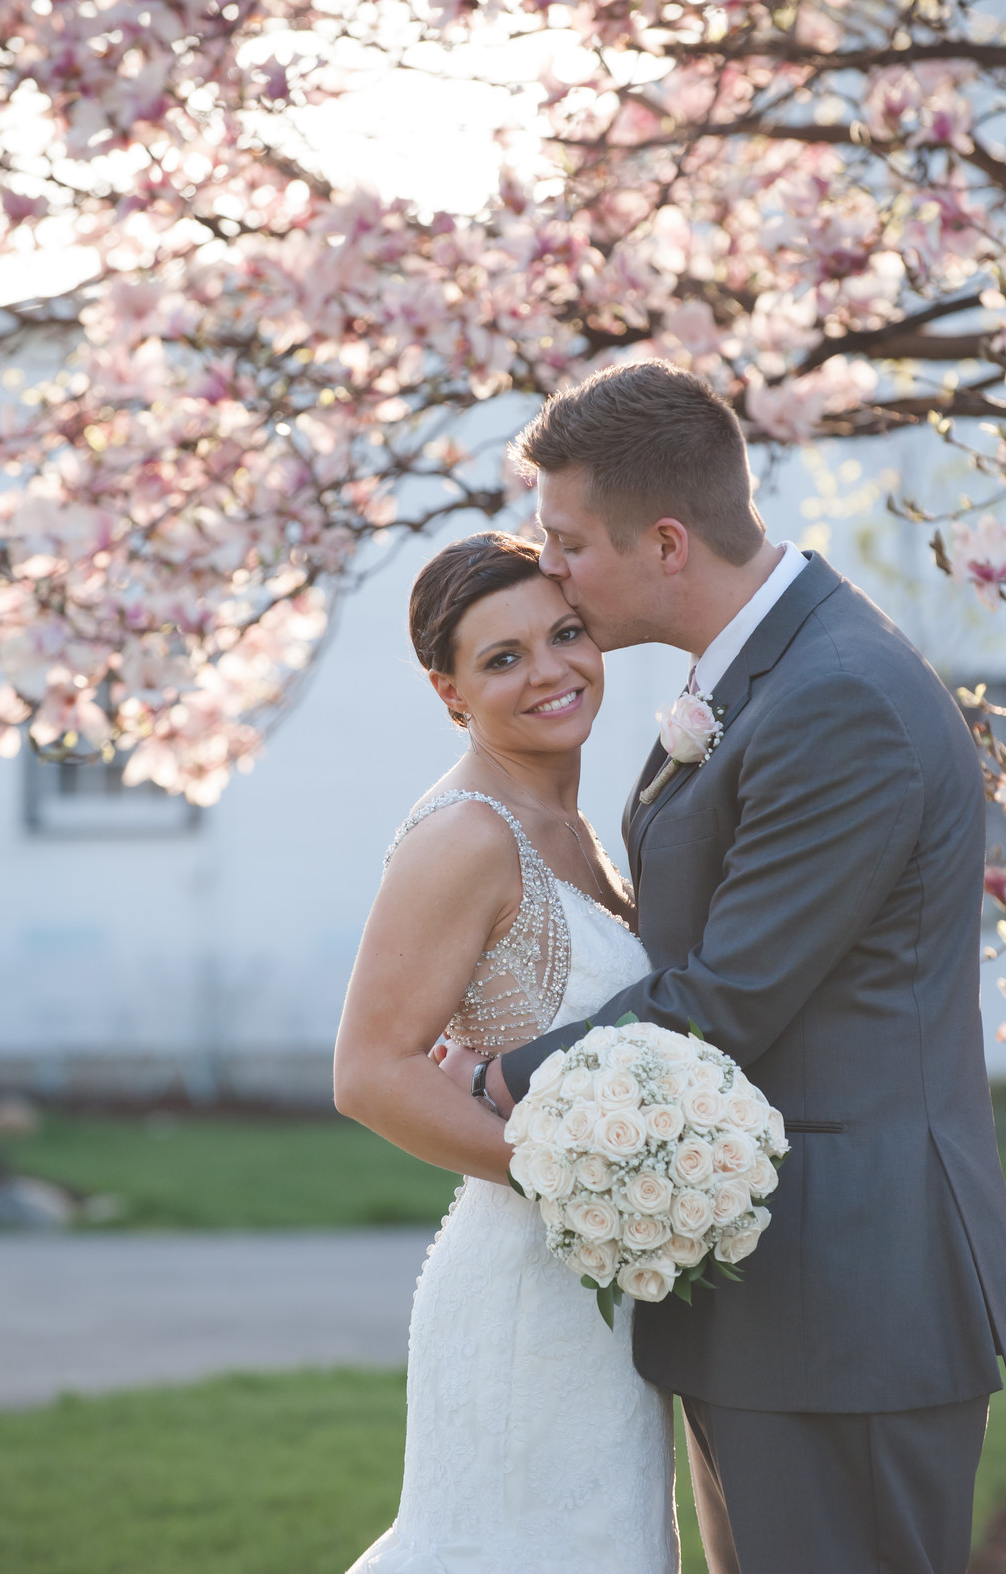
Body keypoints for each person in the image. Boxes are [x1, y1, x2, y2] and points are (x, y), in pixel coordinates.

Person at [438, 359, 1006, 1574]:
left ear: (665, 541)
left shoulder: (840, 702)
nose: (546, 565)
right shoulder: (765, 674)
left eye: (567, 543)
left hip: (853, 1297)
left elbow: (727, 999)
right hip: (778, 1291)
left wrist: (505, 1077)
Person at [334, 528, 680, 1574]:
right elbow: (368, 1072)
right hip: (529, 1294)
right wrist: (574, 1175)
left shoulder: (575, 825)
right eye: (503, 658)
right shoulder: (468, 836)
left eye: (565, 633)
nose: (552, 671)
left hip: (609, 1290)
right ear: (450, 693)